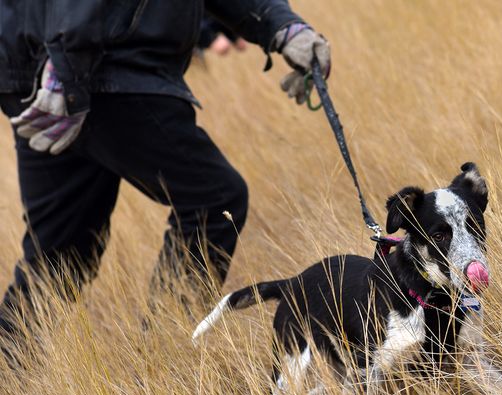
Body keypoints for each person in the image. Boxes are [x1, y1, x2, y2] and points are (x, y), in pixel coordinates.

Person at [0, 1, 331, 351]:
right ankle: (164, 351)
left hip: (42, 68)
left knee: (59, 253)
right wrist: (68, 71)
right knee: (214, 200)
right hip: (100, 67)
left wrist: (282, 27)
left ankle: (8, 377)